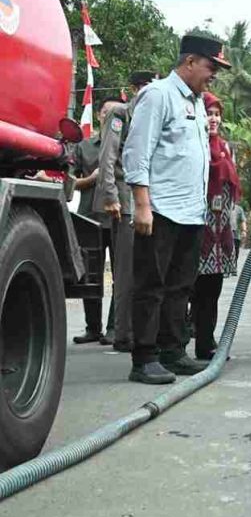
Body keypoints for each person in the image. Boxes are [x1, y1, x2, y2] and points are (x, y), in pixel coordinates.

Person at [122, 35, 225, 384]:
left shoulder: (197, 103)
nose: (214, 74)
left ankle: (173, 351)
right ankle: (145, 357)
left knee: (181, 286)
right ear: (191, 61)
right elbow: (137, 151)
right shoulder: (158, 95)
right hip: (161, 210)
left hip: (191, 213)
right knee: (151, 285)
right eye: (211, 66)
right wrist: (141, 204)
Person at [95, 70, 158, 352]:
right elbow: (108, 156)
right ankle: (123, 334)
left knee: (144, 271)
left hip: (147, 200)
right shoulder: (120, 114)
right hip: (123, 197)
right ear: (133, 88)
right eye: (143, 86)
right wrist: (110, 195)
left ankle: (138, 330)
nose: (147, 90)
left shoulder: (154, 114)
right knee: (125, 273)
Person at [187, 93, 241, 360]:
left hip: (220, 234)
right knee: (190, 290)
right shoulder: (193, 144)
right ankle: (183, 341)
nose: (214, 119)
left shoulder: (226, 149)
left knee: (212, 292)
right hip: (197, 229)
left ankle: (206, 343)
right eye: (209, 113)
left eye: (217, 114)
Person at [71, 95, 121, 345]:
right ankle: (93, 327)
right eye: (107, 113)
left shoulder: (125, 145)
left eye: (116, 113)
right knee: (91, 275)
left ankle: (115, 328)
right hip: (90, 217)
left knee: (121, 276)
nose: (111, 117)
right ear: (101, 115)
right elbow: (69, 183)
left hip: (118, 217)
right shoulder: (84, 147)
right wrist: (92, 178)